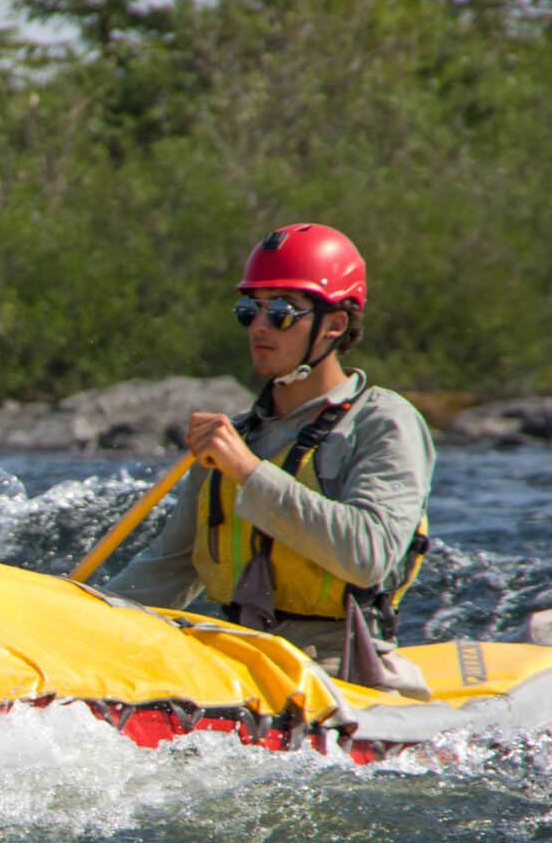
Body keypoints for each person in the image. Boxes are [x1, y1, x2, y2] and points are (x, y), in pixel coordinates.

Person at [107, 223, 436, 696]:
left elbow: (368, 555)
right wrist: (80, 619)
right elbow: (168, 570)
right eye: (249, 310)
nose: (259, 326)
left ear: (335, 325)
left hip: (341, 670)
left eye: (282, 311)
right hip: (242, 660)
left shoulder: (384, 422)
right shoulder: (239, 434)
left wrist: (247, 471)